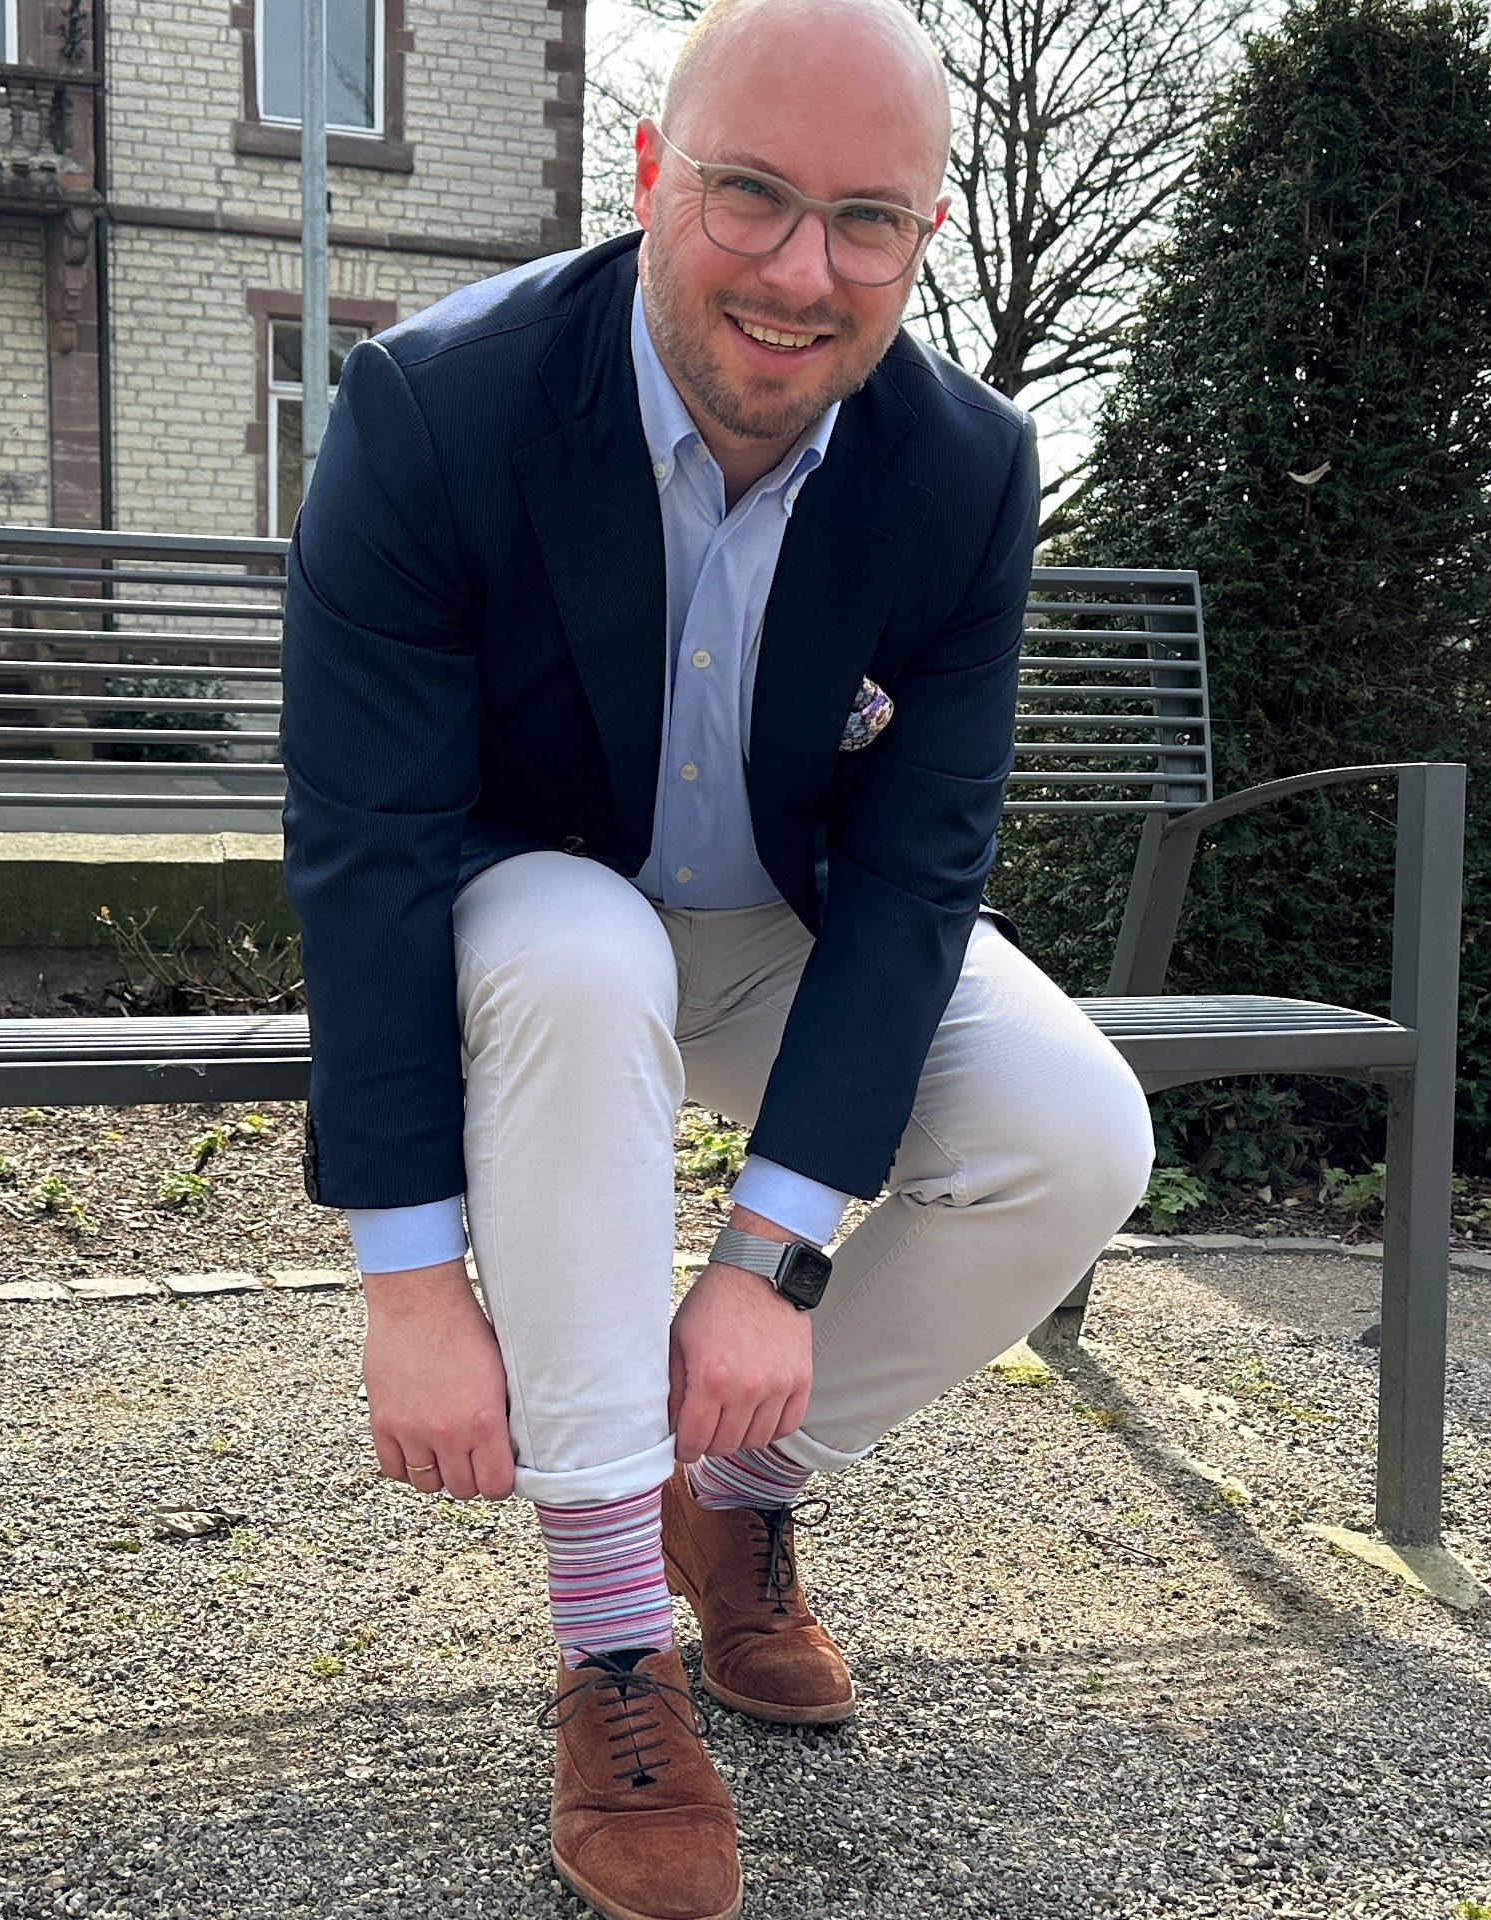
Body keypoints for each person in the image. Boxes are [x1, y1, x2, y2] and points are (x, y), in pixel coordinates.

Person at [278, 3, 1155, 1914]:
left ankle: (730, 1490)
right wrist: (410, 1288)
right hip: (523, 907)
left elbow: (922, 871)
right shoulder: (442, 406)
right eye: (751, 196)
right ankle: (612, 1637)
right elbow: (364, 858)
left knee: (1077, 1136)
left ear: (923, 234)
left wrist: (768, 1265)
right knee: (588, 952)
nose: (799, 270)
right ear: (656, 175)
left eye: (866, 221)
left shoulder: (962, 470)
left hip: (780, 917)